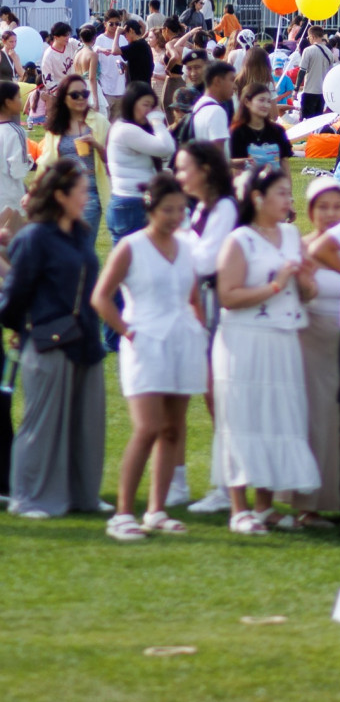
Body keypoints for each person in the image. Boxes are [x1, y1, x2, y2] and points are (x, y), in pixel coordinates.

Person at [90, 174, 207, 540]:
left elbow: (193, 297)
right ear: (150, 209)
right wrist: (127, 331)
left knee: (174, 429)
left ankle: (156, 510)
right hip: (144, 342)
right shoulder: (131, 247)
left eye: (180, 210)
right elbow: (101, 296)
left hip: (182, 341)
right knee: (148, 428)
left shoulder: (188, 246)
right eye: (168, 210)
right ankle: (124, 513)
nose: (175, 217)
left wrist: (198, 330)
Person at [212, 166, 320, 532]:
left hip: (283, 336)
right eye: (281, 193)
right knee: (243, 417)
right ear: (257, 198)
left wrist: (305, 280)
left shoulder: (291, 235)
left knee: (277, 416)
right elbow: (227, 295)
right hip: (246, 340)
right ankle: (238, 508)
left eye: (289, 193)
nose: (289, 201)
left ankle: (265, 505)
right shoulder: (239, 240)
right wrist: (275, 286)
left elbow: (307, 291)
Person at [0, 160, 106, 518]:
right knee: (42, 424)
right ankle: (28, 497)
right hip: (48, 342)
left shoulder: (79, 232)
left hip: (86, 341)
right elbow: (13, 297)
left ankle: (81, 495)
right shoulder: (34, 238)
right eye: (80, 190)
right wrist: (23, 329)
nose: (86, 195)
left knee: (85, 424)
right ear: (61, 195)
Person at [171, 141, 238, 512]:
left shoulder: (224, 208)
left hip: (214, 309)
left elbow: (206, 259)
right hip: (202, 307)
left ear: (206, 170)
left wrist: (174, 244)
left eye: (184, 169)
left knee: (219, 399)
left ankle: (228, 488)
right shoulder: (204, 209)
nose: (180, 176)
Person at [291, 175, 340, 524]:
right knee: (315, 422)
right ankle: (307, 504)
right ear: (311, 211)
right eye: (323, 207)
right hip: (312, 344)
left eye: (337, 206)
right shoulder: (301, 248)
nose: (331, 214)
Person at [36, 73, 109, 243]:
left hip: (88, 193)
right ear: (64, 98)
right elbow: (46, 162)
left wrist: (97, 146)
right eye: (75, 95)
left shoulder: (99, 122)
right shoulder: (55, 125)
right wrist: (35, 192)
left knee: (80, 246)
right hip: (59, 194)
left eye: (85, 94)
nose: (81, 98)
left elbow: (112, 160)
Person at [105, 83, 175, 246]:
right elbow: (166, 147)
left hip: (128, 203)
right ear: (131, 103)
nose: (149, 111)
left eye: (152, 106)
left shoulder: (125, 128)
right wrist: (157, 120)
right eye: (145, 105)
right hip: (131, 204)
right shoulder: (126, 130)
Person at [229, 82, 292, 171]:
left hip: (275, 183)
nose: (266, 105)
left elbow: (284, 163)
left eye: (268, 101)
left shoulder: (278, 131)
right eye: (261, 100)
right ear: (247, 102)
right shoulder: (237, 132)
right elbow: (235, 169)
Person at [189, 59, 236, 152]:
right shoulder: (216, 111)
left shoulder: (200, 104)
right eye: (231, 80)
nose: (234, 86)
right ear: (217, 81)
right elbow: (217, 158)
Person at [0, 81, 31, 214]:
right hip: (11, 200)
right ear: (8, 102)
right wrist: (29, 161)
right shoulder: (16, 132)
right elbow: (18, 171)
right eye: (18, 97)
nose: (20, 100)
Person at [93, 12, 128, 116]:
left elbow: (126, 61)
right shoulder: (100, 39)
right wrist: (102, 50)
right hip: (106, 87)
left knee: (117, 123)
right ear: (105, 24)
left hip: (121, 87)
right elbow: (95, 50)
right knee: (105, 122)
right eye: (111, 24)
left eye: (117, 24)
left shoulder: (122, 39)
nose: (114, 27)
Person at [296, 27, 333, 119]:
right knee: (317, 121)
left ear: (312, 36)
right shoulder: (329, 52)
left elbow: (302, 71)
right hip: (322, 92)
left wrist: (296, 88)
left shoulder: (308, 50)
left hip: (310, 90)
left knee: (306, 120)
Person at [40, 22, 77, 98]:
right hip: (60, 95)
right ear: (56, 37)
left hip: (76, 88)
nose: (67, 37)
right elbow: (48, 81)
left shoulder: (72, 43)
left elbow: (86, 49)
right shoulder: (48, 55)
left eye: (68, 34)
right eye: (64, 35)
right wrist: (64, 95)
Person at [120, 18, 155, 92]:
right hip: (141, 87)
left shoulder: (138, 45)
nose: (125, 37)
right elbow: (139, 66)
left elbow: (114, 51)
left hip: (138, 89)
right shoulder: (142, 44)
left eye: (125, 33)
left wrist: (117, 34)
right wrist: (126, 67)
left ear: (131, 31)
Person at [70, 24, 100, 110]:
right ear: (94, 38)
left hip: (78, 86)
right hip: (90, 88)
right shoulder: (92, 54)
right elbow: (92, 78)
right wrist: (95, 100)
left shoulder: (77, 52)